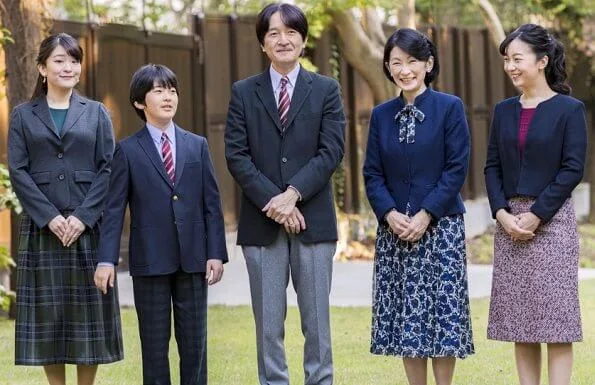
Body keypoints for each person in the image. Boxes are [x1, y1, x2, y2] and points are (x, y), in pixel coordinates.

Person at [224, 3, 345, 384]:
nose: (283, 39)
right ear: (262, 43)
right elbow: (236, 154)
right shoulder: (243, 92)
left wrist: (292, 194)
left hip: (313, 221)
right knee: (268, 325)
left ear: (304, 39)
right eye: (273, 33)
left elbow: (331, 151)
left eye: (291, 32)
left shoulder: (326, 89)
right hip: (262, 226)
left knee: (317, 323)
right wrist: (274, 203)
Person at [94, 64, 228, 385]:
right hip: (150, 262)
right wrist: (106, 260)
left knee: (195, 347)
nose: (168, 97)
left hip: (193, 260)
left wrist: (215, 253)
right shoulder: (127, 150)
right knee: (154, 350)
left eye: (172, 90)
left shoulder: (197, 145)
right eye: (158, 90)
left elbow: (211, 203)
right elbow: (114, 211)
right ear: (140, 102)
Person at [7, 33, 122, 384]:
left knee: (88, 318)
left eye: (73, 60)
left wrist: (83, 218)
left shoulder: (97, 113)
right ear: (43, 68)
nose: (68, 66)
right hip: (43, 230)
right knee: (49, 319)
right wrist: (51, 217)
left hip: (87, 229)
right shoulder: (23, 116)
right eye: (59, 60)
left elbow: (108, 168)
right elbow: (18, 170)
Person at [363, 28, 474, 385]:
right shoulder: (381, 115)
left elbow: (457, 167)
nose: (404, 69)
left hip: (441, 228)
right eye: (396, 62)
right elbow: (372, 173)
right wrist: (389, 213)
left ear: (428, 64)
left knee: (442, 316)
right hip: (396, 232)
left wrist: (426, 213)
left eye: (412, 61)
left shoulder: (450, 107)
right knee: (408, 319)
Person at [484, 24, 587, 385]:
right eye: (507, 60)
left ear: (541, 61)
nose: (511, 66)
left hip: (553, 222)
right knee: (521, 323)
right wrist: (502, 214)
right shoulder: (503, 110)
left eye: (518, 58)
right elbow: (492, 166)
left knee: (557, 322)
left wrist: (537, 215)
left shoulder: (570, 110)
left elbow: (572, 168)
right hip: (509, 223)